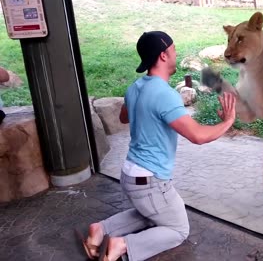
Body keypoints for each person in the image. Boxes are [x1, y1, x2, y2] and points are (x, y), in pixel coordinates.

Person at [78, 31, 236, 261]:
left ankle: (100, 230)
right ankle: (122, 245)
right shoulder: (165, 94)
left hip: (131, 174)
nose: (176, 53)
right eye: (173, 49)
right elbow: (198, 136)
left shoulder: (136, 87)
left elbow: (124, 117)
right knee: (178, 230)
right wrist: (228, 121)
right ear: (163, 55)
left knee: (155, 213)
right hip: (150, 181)